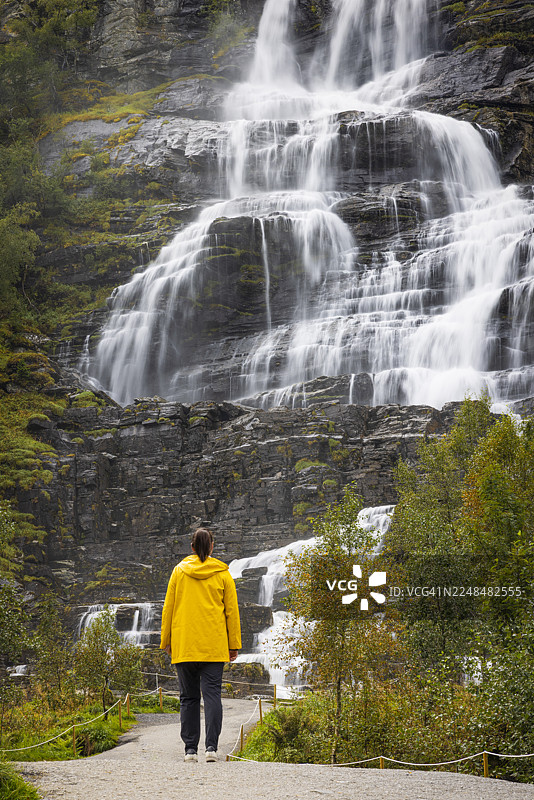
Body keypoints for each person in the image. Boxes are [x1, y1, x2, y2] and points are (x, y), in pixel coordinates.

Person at [160, 527, 241, 762]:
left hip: (184, 644)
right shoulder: (223, 574)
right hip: (214, 647)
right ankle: (211, 749)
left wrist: (166, 640)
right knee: (212, 695)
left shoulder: (179, 572)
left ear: (192, 547)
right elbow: (231, 613)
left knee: (188, 698)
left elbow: (168, 608)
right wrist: (233, 644)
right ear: (212, 546)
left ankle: (190, 750)